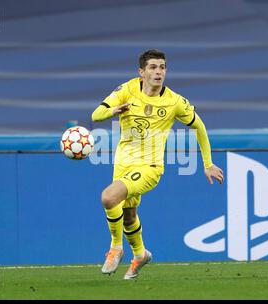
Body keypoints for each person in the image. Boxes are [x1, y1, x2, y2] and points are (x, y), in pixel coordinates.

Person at [91, 49, 224, 280]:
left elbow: (199, 127)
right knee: (129, 215)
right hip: (123, 163)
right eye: (153, 67)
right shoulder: (127, 89)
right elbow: (96, 115)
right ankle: (140, 254)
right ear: (141, 72)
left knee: (109, 197)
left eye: (162, 67)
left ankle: (115, 248)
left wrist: (208, 163)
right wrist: (114, 111)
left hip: (150, 167)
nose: (158, 72)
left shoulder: (174, 101)